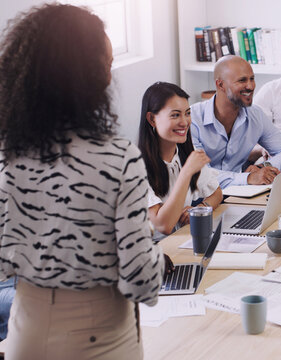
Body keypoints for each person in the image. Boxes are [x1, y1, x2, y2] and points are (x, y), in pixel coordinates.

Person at [0, 4, 164, 358]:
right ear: (91, 78)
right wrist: (157, 249)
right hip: (99, 335)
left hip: (25, 331)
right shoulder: (117, 158)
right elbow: (142, 283)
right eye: (106, 64)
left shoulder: (7, 155)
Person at [191, 55, 281, 187]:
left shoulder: (255, 115)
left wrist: (263, 167)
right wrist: (248, 178)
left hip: (238, 194)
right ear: (220, 85)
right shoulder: (192, 119)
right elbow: (200, 175)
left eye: (252, 79)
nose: (250, 86)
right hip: (200, 202)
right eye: (242, 80)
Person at [138, 82, 223, 239]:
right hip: (152, 253)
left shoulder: (184, 154)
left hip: (180, 241)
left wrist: (200, 209)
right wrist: (186, 172)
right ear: (152, 119)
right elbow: (163, 225)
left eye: (187, 113)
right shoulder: (136, 167)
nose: (184, 122)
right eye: (175, 115)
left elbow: (217, 193)